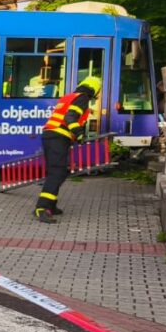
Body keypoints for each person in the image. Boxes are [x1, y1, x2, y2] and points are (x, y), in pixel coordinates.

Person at [34, 76, 101, 223]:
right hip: (58, 136)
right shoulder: (82, 98)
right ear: (95, 90)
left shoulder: (69, 96)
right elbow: (70, 117)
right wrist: (79, 134)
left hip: (52, 135)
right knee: (57, 172)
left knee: (61, 171)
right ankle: (42, 208)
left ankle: (51, 205)